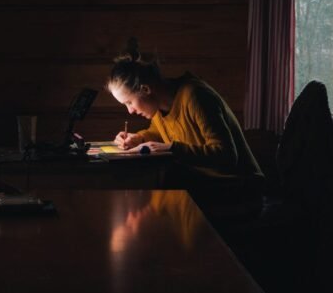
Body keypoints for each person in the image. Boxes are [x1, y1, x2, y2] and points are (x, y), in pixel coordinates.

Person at [108, 37, 264, 215]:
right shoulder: (160, 109)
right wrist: (138, 138)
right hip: (208, 184)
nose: (130, 111)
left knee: (168, 179)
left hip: (239, 187)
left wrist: (173, 149)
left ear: (145, 89)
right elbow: (158, 132)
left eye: (129, 102)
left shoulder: (195, 96)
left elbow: (227, 154)